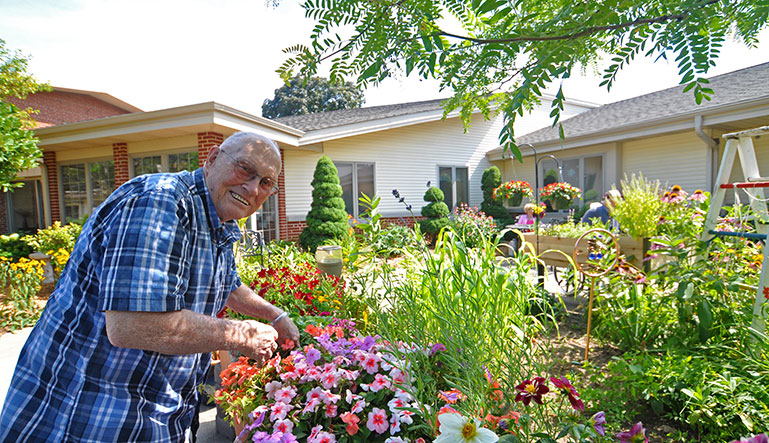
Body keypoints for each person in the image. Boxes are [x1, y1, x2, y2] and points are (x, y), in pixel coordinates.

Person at [0, 132, 300, 442]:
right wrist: (243, 334)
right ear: (212, 159)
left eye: (265, 182)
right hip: (86, 413)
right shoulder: (159, 202)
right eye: (245, 169)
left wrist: (275, 315)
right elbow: (133, 324)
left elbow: (227, 284)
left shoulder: (217, 218)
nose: (252, 188)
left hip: (149, 413)